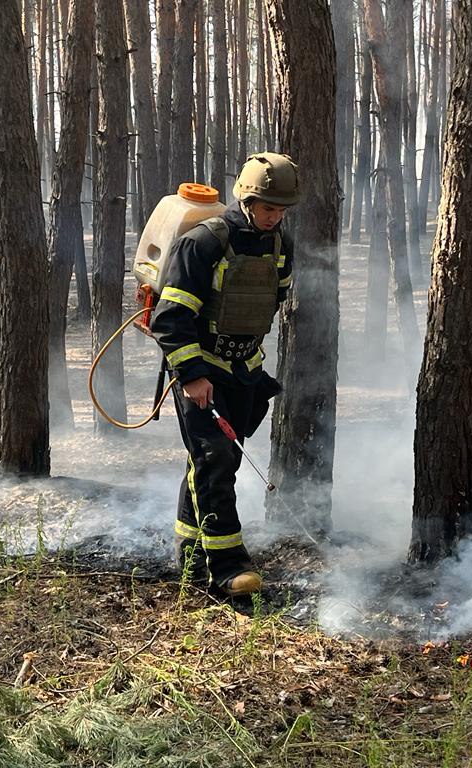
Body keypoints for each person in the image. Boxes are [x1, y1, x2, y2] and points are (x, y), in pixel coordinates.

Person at [151, 152, 300, 596]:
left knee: (215, 461)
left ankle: (190, 556)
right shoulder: (203, 243)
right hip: (202, 371)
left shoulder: (280, 245)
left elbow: (272, 301)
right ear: (247, 199)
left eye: (282, 210)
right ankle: (227, 566)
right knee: (215, 459)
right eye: (268, 208)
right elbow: (171, 317)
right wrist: (192, 375)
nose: (275, 218)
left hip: (244, 371)